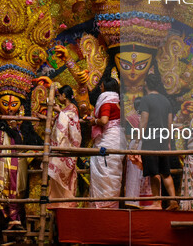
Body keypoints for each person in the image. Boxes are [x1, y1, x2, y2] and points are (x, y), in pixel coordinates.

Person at [0, 93, 42, 230]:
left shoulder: (20, 129)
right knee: (1, 191)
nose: (9, 109)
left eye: (14, 105)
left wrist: (14, 127)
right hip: (2, 165)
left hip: (17, 166)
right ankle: (6, 220)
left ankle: (15, 220)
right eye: (5, 104)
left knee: (16, 191)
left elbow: (20, 141)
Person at [137, 73, 179, 211]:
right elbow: (169, 124)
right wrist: (167, 141)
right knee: (165, 172)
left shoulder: (146, 100)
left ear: (146, 84)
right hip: (163, 139)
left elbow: (143, 122)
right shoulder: (166, 101)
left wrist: (138, 140)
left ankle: (156, 202)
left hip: (150, 139)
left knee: (153, 171)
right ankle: (173, 200)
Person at [88, 77, 124, 208]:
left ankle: (103, 205)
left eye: (101, 86)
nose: (100, 88)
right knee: (113, 172)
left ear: (104, 87)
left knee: (105, 171)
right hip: (118, 137)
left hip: (108, 138)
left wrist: (93, 121)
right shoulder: (118, 101)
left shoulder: (106, 101)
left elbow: (104, 121)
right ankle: (111, 204)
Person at [47, 85, 82, 208]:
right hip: (59, 146)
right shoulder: (65, 109)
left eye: (59, 95)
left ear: (64, 96)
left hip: (66, 147)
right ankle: (58, 202)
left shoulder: (72, 108)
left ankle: (65, 202)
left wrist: (59, 112)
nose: (58, 97)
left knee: (62, 173)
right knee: (56, 174)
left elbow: (71, 124)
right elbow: (59, 123)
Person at [124, 97, 153, 209]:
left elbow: (128, 135)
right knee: (146, 174)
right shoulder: (149, 118)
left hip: (135, 145)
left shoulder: (131, 118)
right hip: (148, 145)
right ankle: (147, 201)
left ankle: (133, 201)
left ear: (135, 107)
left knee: (133, 173)